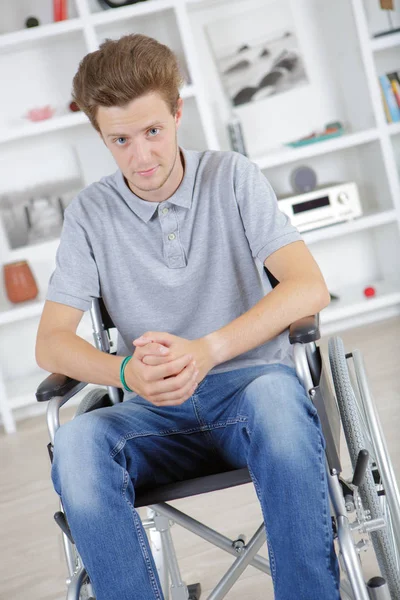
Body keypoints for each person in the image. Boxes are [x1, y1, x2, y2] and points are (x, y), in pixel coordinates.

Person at [35, 33, 339, 600]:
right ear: (100, 136)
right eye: (120, 140)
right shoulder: (90, 216)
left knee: (277, 397)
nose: (142, 156)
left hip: (249, 390)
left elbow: (308, 287)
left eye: (153, 131)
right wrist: (126, 373)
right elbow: (51, 343)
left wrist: (208, 350)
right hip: (152, 410)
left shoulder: (232, 177)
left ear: (177, 113)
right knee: (76, 444)